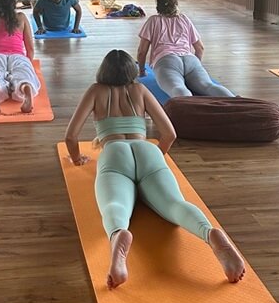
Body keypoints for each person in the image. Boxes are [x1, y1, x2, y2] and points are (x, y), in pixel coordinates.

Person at [64, 50, 245, 289]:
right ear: (131, 71)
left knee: (115, 205)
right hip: (147, 150)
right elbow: (170, 133)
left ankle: (119, 234)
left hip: (114, 152)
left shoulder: (96, 91)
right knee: (174, 204)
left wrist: (77, 159)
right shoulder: (140, 90)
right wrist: (156, 158)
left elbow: (71, 136)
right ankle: (209, 233)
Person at [137, 0, 234, 98]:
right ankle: (237, 103)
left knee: (178, 88)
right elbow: (200, 48)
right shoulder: (184, 19)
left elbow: (142, 52)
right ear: (176, 5)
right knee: (208, 86)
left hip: (166, 61)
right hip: (190, 59)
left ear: (158, 7)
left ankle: (190, 110)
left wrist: (142, 71)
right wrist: (195, 66)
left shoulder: (153, 21)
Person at [0, 0, 41, 114]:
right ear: (14, 5)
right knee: (23, 76)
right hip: (18, 56)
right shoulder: (21, 17)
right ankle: (26, 87)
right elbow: (30, 48)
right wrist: (29, 65)